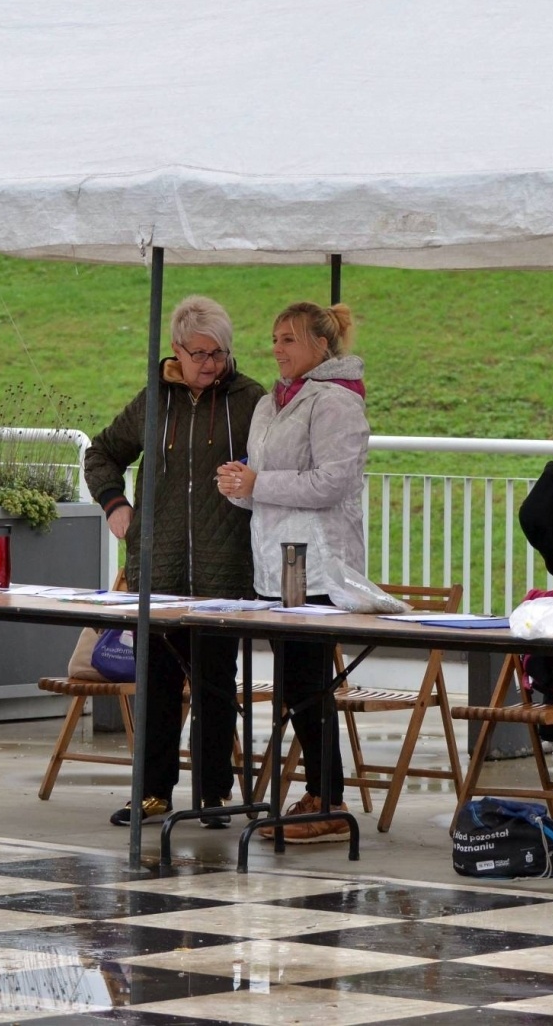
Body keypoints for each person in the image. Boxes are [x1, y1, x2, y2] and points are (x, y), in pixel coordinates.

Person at [83, 295, 265, 827]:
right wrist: (115, 506)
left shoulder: (250, 400)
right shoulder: (154, 399)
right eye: (200, 353)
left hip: (223, 570)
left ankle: (213, 796)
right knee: (157, 684)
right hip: (157, 572)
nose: (211, 364)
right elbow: (102, 452)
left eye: (220, 353)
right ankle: (152, 792)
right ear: (177, 351)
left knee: (213, 683)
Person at [218, 301, 369, 844]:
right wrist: (239, 485)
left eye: (288, 339)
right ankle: (319, 793)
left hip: (321, 565)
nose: (276, 349)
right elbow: (264, 487)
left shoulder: (336, 405)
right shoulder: (268, 404)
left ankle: (327, 798)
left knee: (308, 685)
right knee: (294, 685)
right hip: (276, 565)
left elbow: (330, 484)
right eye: (274, 338)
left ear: (319, 347)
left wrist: (258, 484)